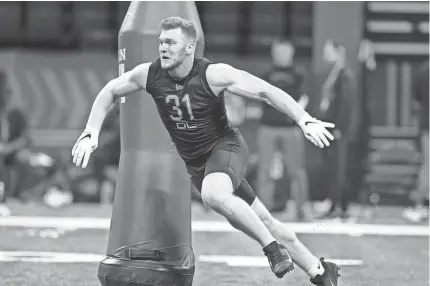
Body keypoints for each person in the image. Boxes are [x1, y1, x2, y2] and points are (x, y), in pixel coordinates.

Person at [72, 17, 340, 285]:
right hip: (198, 164)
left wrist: (303, 118)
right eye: (161, 42)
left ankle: (273, 250)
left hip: (226, 148)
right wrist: (90, 131)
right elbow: (110, 91)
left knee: (214, 196)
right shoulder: (150, 74)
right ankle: (320, 271)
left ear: (189, 47)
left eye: (170, 42)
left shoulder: (212, 74)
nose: (163, 48)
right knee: (263, 220)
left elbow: (267, 91)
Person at [257, 39, 310, 219]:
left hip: (290, 128)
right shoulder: (266, 74)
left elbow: (304, 98)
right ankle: (264, 210)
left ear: (291, 53)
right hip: (268, 127)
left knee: (297, 171)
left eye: (285, 52)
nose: (281, 55)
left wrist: (296, 115)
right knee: (264, 169)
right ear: (273, 53)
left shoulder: (298, 74)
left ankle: (301, 209)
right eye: (278, 52)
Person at [317, 40, 358, 220]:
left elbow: (346, 104)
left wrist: (339, 127)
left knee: (338, 167)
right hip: (332, 126)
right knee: (334, 166)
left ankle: (338, 206)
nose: (325, 55)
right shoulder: (335, 74)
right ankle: (337, 204)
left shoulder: (345, 75)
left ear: (338, 52)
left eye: (327, 51)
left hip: (338, 128)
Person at [402, 60, 429, 222]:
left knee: (427, 165)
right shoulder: (424, 71)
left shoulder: (423, 70)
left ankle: (422, 206)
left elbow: (417, 97)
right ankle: (423, 205)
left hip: (427, 124)